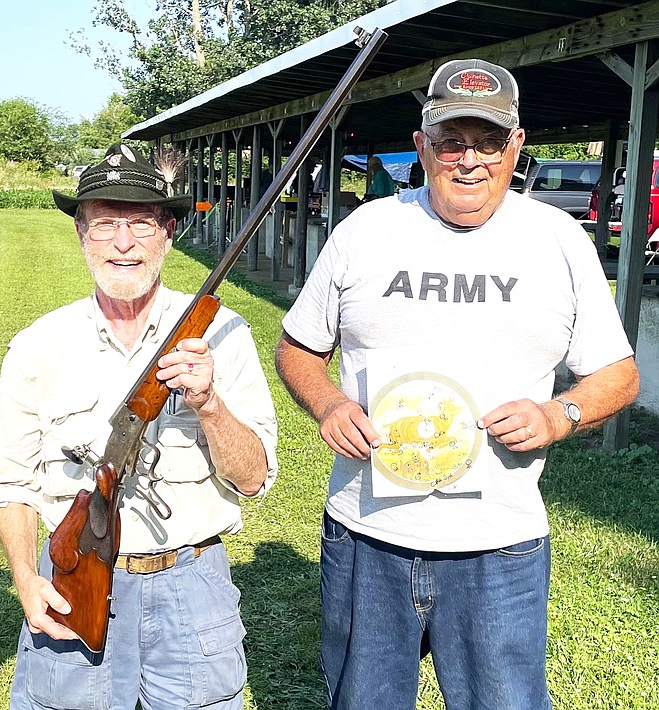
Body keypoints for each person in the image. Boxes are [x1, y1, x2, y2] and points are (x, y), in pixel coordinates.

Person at [274, 59, 639, 709]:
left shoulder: (558, 240)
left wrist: (561, 415)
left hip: (498, 550)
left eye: (489, 140)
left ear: (516, 146)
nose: (469, 159)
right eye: (450, 140)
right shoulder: (366, 232)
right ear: (422, 145)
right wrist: (328, 403)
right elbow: (299, 348)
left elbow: (617, 373)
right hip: (365, 539)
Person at [0, 144, 278, 709]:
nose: (123, 243)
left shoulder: (225, 335)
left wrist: (211, 403)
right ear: (80, 235)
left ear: (168, 232)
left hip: (191, 584)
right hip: (71, 582)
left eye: (141, 223)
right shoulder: (39, 345)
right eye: (105, 224)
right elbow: (8, 482)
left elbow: (253, 479)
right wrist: (25, 577)